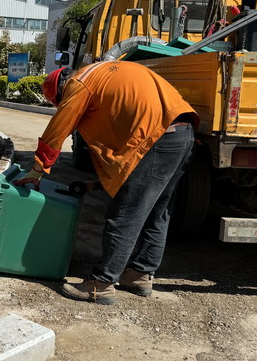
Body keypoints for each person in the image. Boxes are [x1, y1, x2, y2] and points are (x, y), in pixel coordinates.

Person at [15, 61, 198, 305]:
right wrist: (97, 184)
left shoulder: (79, 83)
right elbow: (125, 156)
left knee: (125, 214)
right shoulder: (106, 72)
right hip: (183, 135)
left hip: (158, 138)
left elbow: (58, 127)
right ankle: (139, 274)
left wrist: (38, 169)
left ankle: (101, 284)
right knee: (158, 212)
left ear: (61, 90)